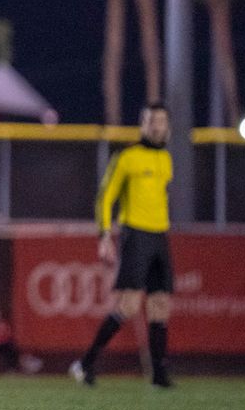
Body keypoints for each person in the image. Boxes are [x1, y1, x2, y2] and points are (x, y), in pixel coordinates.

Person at [71, 102, 174, 388]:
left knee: (161, 304)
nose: (157, 126)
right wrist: (104, 234)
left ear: (168, 126)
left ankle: (159, 374)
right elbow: (105, 197)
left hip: (160, 236)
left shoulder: (166, 159)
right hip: (136, 235)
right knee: (128, 304)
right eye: (152, 121)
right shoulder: (127, 157)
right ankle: (85, 363)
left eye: (162, 121)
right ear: (143, 124)